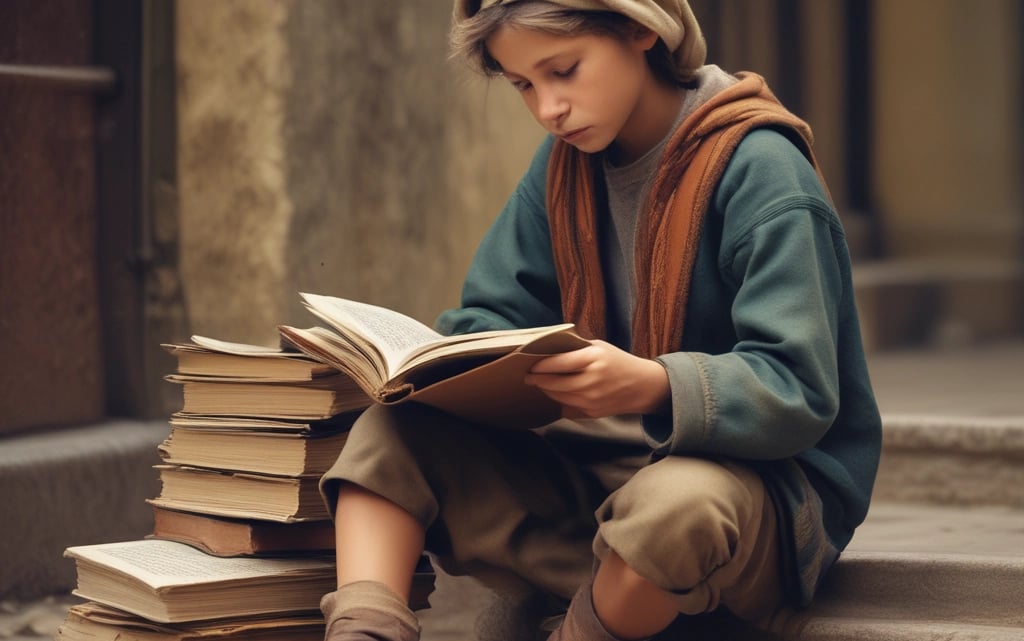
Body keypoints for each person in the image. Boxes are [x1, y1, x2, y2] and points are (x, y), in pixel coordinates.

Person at [317, 1, 883, 640]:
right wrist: (441, 365)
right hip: (602, 479)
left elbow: (800, 388)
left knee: (673, 508)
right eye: (524, 85)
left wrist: (653, 384)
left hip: (758, 501)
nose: (547, 108)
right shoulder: (561, 168)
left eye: (564, 70)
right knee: (391, 433)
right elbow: (495, 314)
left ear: (643, 29)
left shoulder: (761, 169)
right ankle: (364, 632)